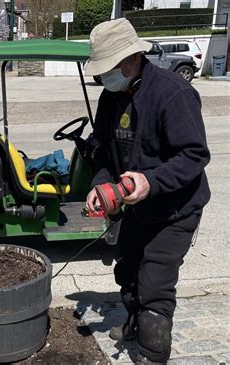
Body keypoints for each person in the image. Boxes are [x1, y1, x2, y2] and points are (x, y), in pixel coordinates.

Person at [84, 19, 210, 364]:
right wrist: (100, 186)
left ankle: (152, 354)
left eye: (107, 69)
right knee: (127, 270)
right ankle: (134, 324)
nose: (102, 78)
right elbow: (102, 151)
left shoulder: (174, 93)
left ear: (130, 59)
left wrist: (150, 182)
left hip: (175, 207)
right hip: (134, 206)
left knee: (154, 284)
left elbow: (194, 155)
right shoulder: (110, 98)